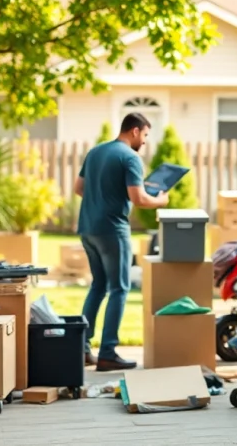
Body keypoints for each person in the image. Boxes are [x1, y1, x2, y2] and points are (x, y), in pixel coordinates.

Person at [74, 113, 169, 371]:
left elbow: (79, 188)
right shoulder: (130, 157)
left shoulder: (95, 152)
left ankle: (81, 349)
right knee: (119, 288)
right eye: (145, 135)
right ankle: (107, 353)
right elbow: (139, 199)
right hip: (112, 230)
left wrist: (102, 198)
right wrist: (160, 201)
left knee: (98, 286)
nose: (145, 141)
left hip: (88, 228)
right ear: (135, 131)